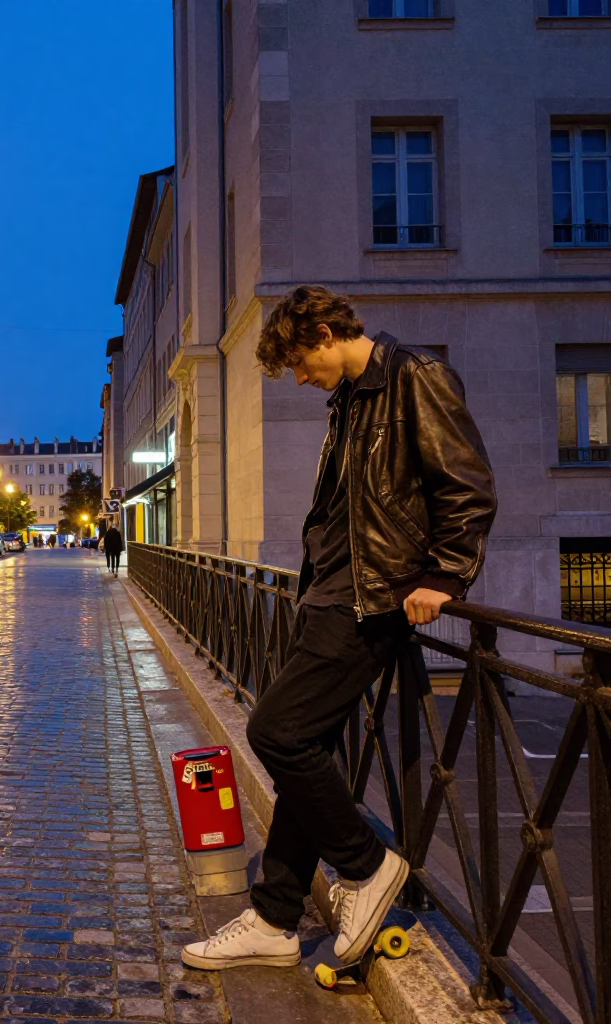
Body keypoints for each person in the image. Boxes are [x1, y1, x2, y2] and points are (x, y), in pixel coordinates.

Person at [183, 285, 496, 972]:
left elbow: (466, 486)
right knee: (306, 752)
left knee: (274, 731)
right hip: (327, 596)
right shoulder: (348, 402)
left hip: (371, 601)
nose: (299, 377)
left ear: (325, 334)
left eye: (299, 361)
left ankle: (367, 865)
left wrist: (445, 577)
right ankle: (275, 917)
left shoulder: (417, 376)